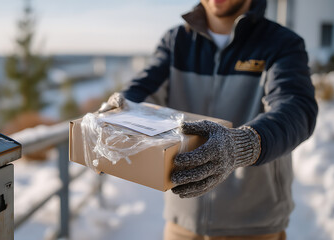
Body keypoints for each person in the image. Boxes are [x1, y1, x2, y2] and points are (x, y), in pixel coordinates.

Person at [101, 0, 318, 239]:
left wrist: (241, 145)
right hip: (181, 224)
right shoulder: (176, 41)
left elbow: (296, 109)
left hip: (254, 225)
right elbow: (141, 90)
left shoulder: (281, 42)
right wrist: (118, 111)